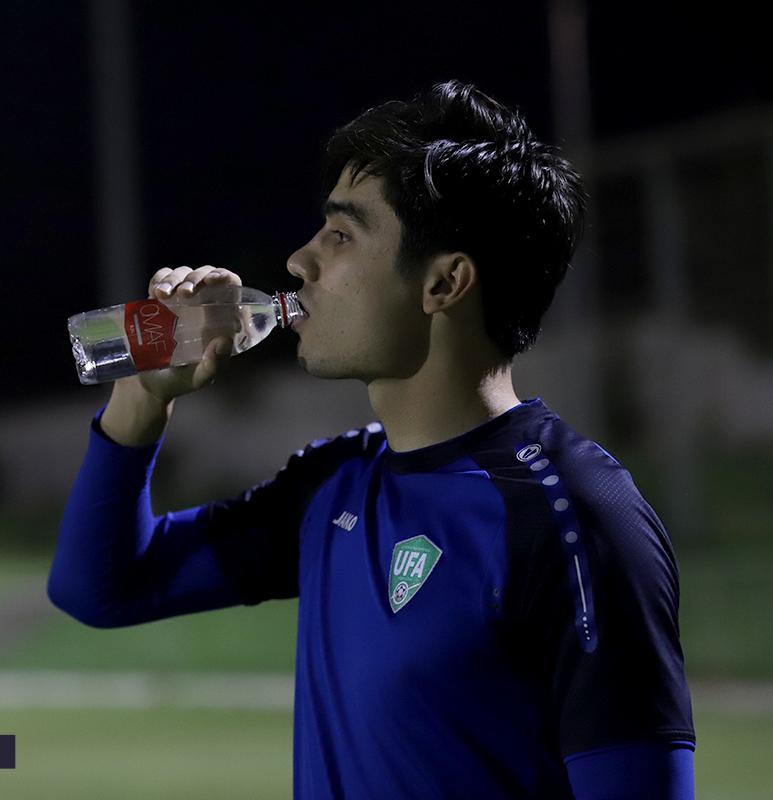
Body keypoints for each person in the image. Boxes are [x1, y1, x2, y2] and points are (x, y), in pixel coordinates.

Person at [48, 80, 696, 799]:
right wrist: (141, 398)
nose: (300, 261)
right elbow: (100, 589)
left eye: (341, 235)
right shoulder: (336, 483)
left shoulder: (574, 518)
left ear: (444, 283)